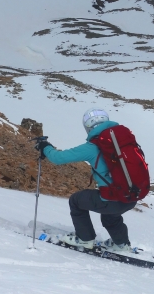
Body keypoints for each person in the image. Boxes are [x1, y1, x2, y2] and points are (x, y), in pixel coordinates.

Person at [34, 108, 136, 253]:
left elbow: (58, 158)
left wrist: (45, 147)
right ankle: (121, 244)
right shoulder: (125, 143)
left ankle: (85, 239)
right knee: (109, 215)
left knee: (76, 200)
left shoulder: (93, 147)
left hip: (112, 200)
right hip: (131, 197)